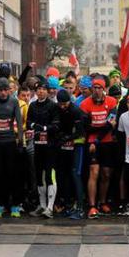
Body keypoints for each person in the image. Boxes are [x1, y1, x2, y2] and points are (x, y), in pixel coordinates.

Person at [0, 77, 24, 218]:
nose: (3, 93)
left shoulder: (14, 102)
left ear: (9, 90)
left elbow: (19, 122)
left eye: (5, 90)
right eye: (0, 90)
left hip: (10, 142)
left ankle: (14, 205)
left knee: (12, 174)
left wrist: (20, 140)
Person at [80, 78, 118, 219]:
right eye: (94, 87)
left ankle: (103, 202)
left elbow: (113, 122)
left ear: (104, 89)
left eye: (99, 88)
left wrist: (100, 130)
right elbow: (86, 127)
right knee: (93, 172)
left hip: (107, 142)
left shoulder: (112, 102)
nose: (96, 90)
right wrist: (105, 127)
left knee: (106, 174)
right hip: (91, 142)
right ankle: (92, 206)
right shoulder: (85, 104)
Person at [27, 80, 60, 218]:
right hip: (38, 145)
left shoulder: (53, 106)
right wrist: (35, 126)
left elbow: (56, 125)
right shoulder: (33, 105)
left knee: (49, 176)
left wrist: (45, 128)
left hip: (50, 146)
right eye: (38, 89)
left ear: (47, 91)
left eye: (43, 89)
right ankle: (41, 204)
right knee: (39, 176)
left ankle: (50, 207)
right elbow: (28, 122)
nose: (40, 91)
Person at [55, 89, 86, 219]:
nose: (63, 106)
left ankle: (80, 207)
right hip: (65, 146)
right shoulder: (59, 109)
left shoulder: (76, 110)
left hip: (77, 145)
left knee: (75, 174)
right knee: (64, 175)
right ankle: (67, 204)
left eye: (65, 104)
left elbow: (80, 131)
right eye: (61, 104)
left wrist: (67, 138)